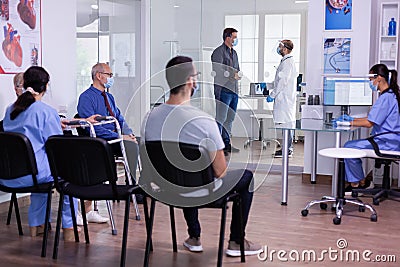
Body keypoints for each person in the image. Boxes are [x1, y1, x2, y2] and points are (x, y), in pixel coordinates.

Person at [141, 56, 262, 256]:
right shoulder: (203, 121)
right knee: (246, 177)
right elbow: (220, 172)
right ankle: (236, 242)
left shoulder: (150, 117)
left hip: (166, 191)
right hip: (199, 193)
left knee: (184, 174)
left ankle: (194, 236)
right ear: (191, 81)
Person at [0, 66, 78, 240]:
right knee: (67, 175)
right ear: (46, 86)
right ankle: (69, 227)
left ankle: (38, 224)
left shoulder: (9, 110)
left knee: (42, 170)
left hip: (7, 176)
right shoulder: (46, 112)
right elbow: (57, 146)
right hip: (32, 176)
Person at [77, 62, 137, 224]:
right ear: (99, 75)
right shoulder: (86, 98)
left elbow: (119, 117)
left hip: (116, 136)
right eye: (109, 75)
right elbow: (92, 127)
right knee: (130, 145)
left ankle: (135, 183)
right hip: (101, 141)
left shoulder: (109, 97)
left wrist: (128, 132)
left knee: (137, 142)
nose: (111, 78)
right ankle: (130, 186)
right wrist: (117, 136)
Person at [341, 63, 400, 194]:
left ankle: (358, 184)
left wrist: (349, 123)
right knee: (350, 145)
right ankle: (360, 182)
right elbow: (371, 119)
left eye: (370, 79)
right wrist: (350, 120)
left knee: (348, 147)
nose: (370, 82)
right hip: (390, 140)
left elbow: (369, 123)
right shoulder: (391, 95)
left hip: (386, 143)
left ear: (378, 78)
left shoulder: (386, 98)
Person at [212, 28, 241, 155]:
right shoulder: (218, 52)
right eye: (234, 37)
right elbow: (218, 70)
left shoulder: (234, 53)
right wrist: (231, 75)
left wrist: (238, 75)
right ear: (227, 37)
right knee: (221, 119)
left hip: (234, 90)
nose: (236, 39)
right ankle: (218, 146)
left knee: (230, 118)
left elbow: (237, 69)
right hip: (223, 90)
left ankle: (226, 143)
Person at [266, 40, 297, 158]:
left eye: (280, 47)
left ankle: (288, 149)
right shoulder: (285, 62)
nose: (278, 49)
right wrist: (268, 86)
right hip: (284, 99)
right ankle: (286, 148)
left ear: (285, 49)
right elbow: (278, 81)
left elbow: (283, 82)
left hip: (286, 100)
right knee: (285, 124)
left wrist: (272, 95)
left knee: (287, 124)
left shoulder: (288, 62)